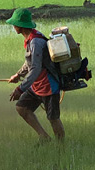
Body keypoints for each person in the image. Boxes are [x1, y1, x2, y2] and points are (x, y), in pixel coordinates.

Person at [6, 8, 64, 142]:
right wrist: (18, 75)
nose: (13, 26)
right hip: (37, 85)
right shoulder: (30, 38)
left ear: (20, 25)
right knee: (22, 108)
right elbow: (30, 62)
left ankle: (61, 147)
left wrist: (20, 89)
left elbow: (35, 68)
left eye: (14, 24)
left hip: (48, 86)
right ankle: (44, 137)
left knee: (53, 118)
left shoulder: (36, 42)